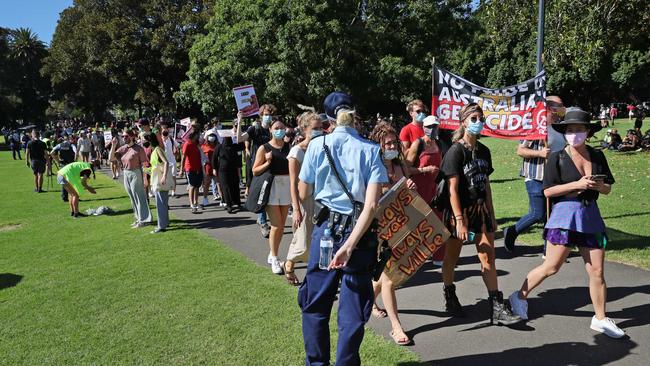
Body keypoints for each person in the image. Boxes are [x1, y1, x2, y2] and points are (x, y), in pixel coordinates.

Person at [508, 107, 625, 339]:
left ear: (587, 132)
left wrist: (598, 187)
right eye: (570, 130)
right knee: (552, 266)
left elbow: (608, 188)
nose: (574, 133)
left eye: (579, 129)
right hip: (564, 216)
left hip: (590, 216)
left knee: (597, 271)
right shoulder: (557, 157)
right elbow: (549, 191)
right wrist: (577, 185)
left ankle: (600, 318)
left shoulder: (598, 156)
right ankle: (519, 296)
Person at [298, 92, 388, 365]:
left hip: (326, 230)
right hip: (359, 236)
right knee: (351, 312)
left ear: (327, 118)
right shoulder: (371, 149)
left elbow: (304, 192)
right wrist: (349, 245)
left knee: (315, 304)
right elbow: (372, 205)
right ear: (354, 112)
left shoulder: (316, 145)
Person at [439, 103, 521, 325]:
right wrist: (459, 222)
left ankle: (496, 306)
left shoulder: (484, 151)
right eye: (473, 118)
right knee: (452, 258)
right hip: (461, 213)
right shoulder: (455, 152)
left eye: (480, 118)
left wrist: (492, 215)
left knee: (488, 257)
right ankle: (449, 294)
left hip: (481, 210)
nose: (478, 122)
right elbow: (452, 189)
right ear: (463, 121)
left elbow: (486, 185)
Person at [369, 121, 420, 346]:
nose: (391, 145)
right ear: (378, 144)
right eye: (386, 142)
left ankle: (367, 301)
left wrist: (410, 186)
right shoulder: (373, 164)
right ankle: (395, 327)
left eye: (393, 142)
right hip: (381, 226)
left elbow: (410, 192)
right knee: (389, 277)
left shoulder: (400, 164)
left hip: (401, 224)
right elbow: (369, 197)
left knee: (385, 275)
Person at [283, 112, 323, 285]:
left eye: (321, 128)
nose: (319, 131)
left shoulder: (322, 147)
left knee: (320, 239)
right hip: (304, 201)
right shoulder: (296, 152)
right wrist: (297, 209)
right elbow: (293, 183)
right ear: (304, 129)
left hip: (321, 199)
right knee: (303, 240)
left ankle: (317, 279)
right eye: (315, 128)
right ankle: (289, 263)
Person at [252, 117, 291, 275]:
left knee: (281, 225)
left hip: (286, 186)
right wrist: (267, 163)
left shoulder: (289, 146)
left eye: (281, 127)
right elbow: (255, 170)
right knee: (276, 225)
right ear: (270, 130)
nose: (279, 130)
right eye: (276, 127)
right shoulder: (265, 148)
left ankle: (271, 252)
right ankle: (274, 257)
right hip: (272, 187)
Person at [405, 115, 446, 265]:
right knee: (418, 225)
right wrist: (424, 169)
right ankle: (414, 258)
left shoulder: (439, 144)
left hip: (434, 190)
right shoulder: (418, 144)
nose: (432, 129)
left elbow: (440, 166)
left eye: (435, 126)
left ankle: (438, 258)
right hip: (418, 190)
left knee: (437, 223)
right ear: (424, 128)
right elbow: (406, 169)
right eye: (429, 127)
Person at [236, 105, 275, 238]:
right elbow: (239, 139)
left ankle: (264, 219)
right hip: (258, 166)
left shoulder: (274, 128)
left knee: (270, 194)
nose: (268, 116)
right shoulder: (255, 128)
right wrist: (240, 121)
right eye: (266, 114)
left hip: (272, 165)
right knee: (261, 194)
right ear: (261, 115)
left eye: (270, 114)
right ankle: (263, 222)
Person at [111, 128, 153, 227]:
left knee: (139, 196)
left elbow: (145, 164)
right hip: (126, 173)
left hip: (136, 172)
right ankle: (138, 218)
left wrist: (145, 178)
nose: (124, 138)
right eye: (123, 136)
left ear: (132, 136)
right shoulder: (123, 148)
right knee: (132, 196)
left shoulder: (139, 149)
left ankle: (144, 219)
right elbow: (111, 158)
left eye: (126, 136)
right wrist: (113, 145)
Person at [145, 132, 170, 234]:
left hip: (160, 180)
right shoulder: (156, 150)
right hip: (157, 178)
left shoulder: (157, 149)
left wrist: (164, 176)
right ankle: (165, 222)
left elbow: (166, 162)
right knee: (162, 203)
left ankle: (161, 226)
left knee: (160, 204)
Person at [212, 135, 244, 213]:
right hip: (223, 171)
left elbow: (242, 146)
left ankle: (237, 202)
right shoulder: (219, 147)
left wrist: (238, 135)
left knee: (234, 185)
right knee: (226, 187)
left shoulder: (233, 146)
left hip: (233, 169)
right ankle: (228, 204)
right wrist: (214, 168)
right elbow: (214, 158)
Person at [183, 130, 203, 213]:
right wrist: (181, 169)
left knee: (197, 186)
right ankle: (191, 204)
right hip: (190, 168)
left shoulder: (197, 144)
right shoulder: (187, 144)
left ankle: (196, 202)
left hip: (198, 167)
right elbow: (183, 157)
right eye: (196, 135)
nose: (198, 136)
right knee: (192, 185)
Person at [161, 123, 178, 197]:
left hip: (172, 161)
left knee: (173, 176)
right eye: (163, 130)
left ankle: (173, 191)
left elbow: (178, 145)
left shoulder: (171, 139)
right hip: (164, 162)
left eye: (166, 130)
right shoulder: (160, 140)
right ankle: (166, 190)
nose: (164, 132)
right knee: (166, 177)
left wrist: (176, 149)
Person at [201, 133, 218, 207]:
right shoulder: (204, 146)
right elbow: (201, 156)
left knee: (219, 183)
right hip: (208, 167)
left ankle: (223, 200)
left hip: (216, 167)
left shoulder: (217, 145)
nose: (212, 138)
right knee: (207, 184)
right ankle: (205, 198)